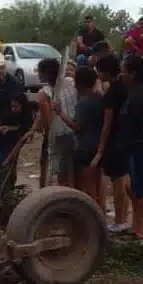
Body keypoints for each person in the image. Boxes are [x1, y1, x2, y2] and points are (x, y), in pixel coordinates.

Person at [118, 56, 143, 240]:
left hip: (140, 146)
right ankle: (137, 224)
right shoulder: (134, 91)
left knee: (141, 189)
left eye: (123, 71)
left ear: (133, 74)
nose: (121, 75)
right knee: (134, 186)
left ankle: (140, 228)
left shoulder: (142, 95)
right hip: (132, 145)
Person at [52, 67, 104, 205]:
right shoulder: (100, 97)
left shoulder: (84, 103)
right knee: (99, 184)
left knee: (89, 187)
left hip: (86, 147)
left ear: (79, 84)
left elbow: (77, 126)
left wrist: (60, 113)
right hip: (99, 145)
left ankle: (93, 216)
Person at [22, 58, 77, 188]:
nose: (38, 75)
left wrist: (41, 131)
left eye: (40, 72)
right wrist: (33, 129)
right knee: (72, 170)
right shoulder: (72, 83)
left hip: (58, 134)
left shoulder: (44, 94)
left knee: (57, 169)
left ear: (47, 74)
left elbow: (47, 119)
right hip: (75, 130)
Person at [93, 55, 130, 232]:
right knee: (125, 180)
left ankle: (120, 220)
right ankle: (125, 216)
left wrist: (100, 149)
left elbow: (107, 124)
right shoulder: (126, 87)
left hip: (115, 141)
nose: (97, 74)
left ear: (106, 71)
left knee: (118, 182)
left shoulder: (112, 93)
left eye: (99, 70)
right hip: (127, 137)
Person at [0, 94, 34, 159]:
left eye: (15, 106)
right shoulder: (11, 113)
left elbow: (24, 128)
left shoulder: (27, 115)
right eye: (12, 106)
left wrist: (9, 128)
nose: (13, 109)